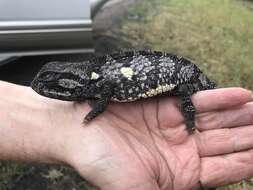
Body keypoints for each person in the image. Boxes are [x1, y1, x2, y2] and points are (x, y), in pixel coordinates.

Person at [0, 80, 253, 190]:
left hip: (183, 81)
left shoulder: (96, 84)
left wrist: (189, 116)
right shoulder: (91, 83)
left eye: (55, 86)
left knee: (190, 101)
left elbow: (106, 91)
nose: (49, 90)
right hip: (165, 91)